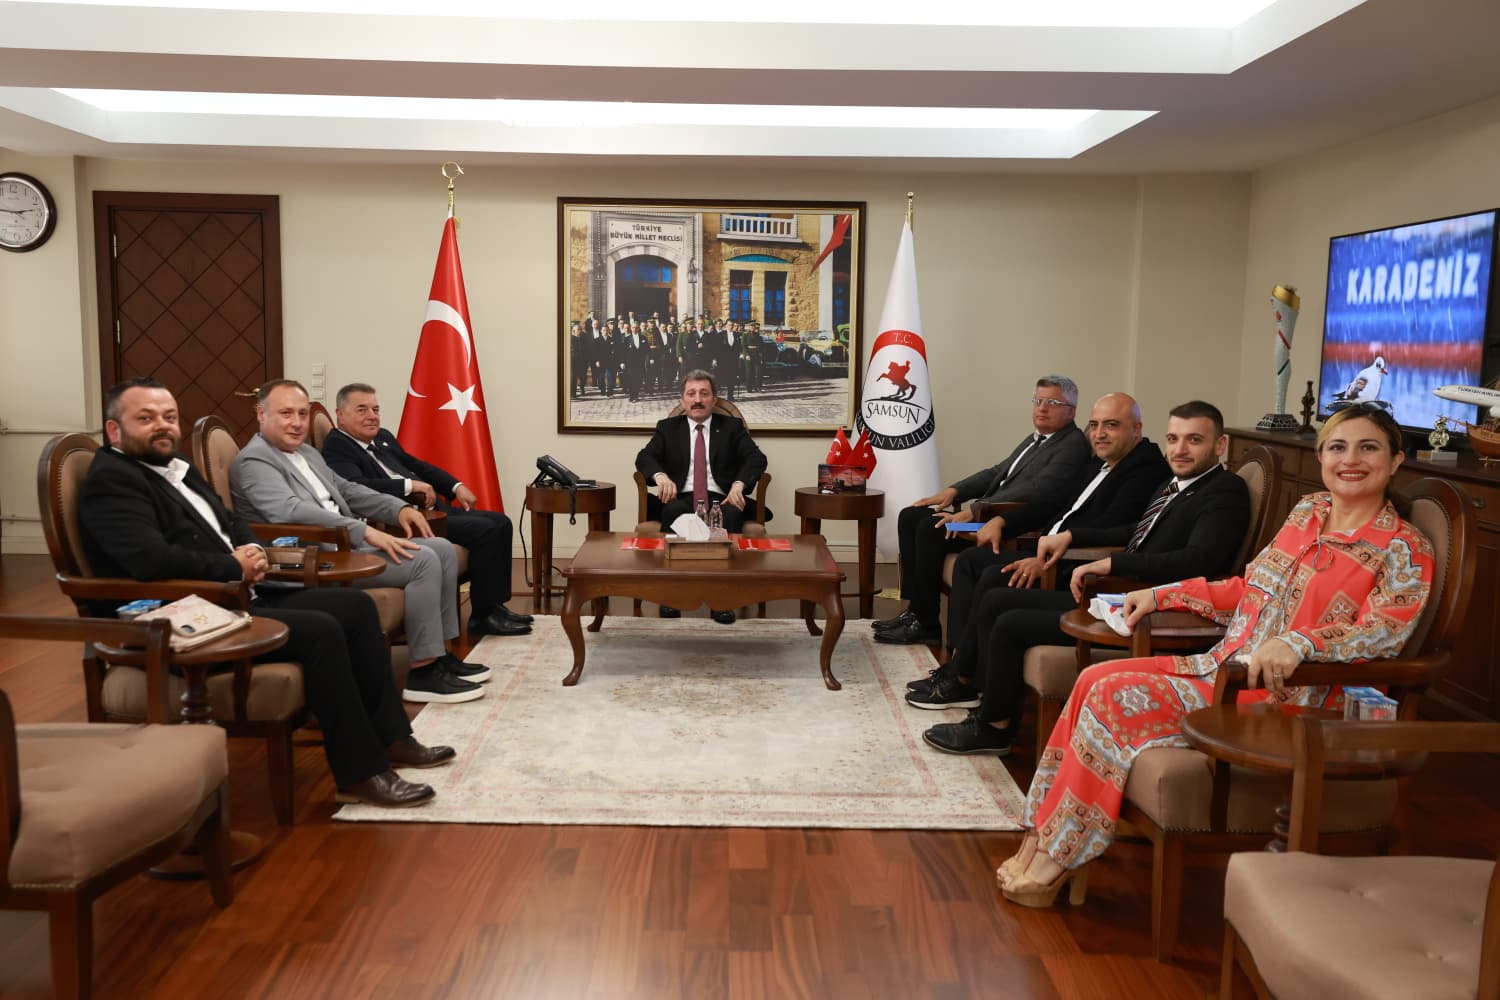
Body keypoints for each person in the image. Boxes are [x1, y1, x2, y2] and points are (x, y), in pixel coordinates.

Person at [996, 405, 1433, 908]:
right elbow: (1248, 587)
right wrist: (1160, 594)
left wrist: (1300, 642)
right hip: (1222, 670)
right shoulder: (1307, 512)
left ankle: (1058, 857)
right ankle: (1042, 836)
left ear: (1395, 460)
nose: (1350, 460)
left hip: (1293, 702)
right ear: (1321, 457)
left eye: (1368, 448)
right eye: (1337, 447)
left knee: (1112, 694)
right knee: (1094, 677)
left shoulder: (1404, 548)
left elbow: (1383, 634)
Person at [81, 377, 450, 808]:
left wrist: (253, 550)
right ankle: (360, 773)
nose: (162, 426)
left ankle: (393, 738)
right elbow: (150, 561)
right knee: (322, 631)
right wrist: (232, 567)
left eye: (169, 416)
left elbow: (229, 520)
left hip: (232, 596)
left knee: (355, 607)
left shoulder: (175, 464)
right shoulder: (112, 481)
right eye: (146, 418)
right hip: (180, 617)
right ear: (114, 430)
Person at [915, 401, 1250, 754]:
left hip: (1151, 610)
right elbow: (1134, 532)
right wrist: (1075, 538)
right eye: (1173, 439)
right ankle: (977, 697)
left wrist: (1111, 564)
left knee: (1011, 622)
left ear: (1220, 445)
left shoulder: (1224, 491)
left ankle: (994, 727)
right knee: (997, 599)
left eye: (1194, 440)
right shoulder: (1175, 483)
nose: (1179, 449)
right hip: (1119, 596)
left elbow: (1196, 562)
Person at [231, 380, 488, 705]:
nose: (296, 423)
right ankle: (423, 673)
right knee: (423, 561)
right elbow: (291, 510)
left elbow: (347, 489)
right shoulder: (254, 461)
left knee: (442, 549)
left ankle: (442, 655)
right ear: (261, 414)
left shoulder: (306, 453)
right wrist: (363, 531)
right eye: (286, 414)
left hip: (343, 546)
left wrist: (398, 508)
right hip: (310, 558)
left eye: (302, 413)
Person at [874, 376, 1092, 646]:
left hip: (1008, 525)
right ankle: (914, 611)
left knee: (930, 528)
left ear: (1072, 410)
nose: (1042, 408)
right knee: (911, 515)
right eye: (1038, 400)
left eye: (1052, 403)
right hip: (987, 514)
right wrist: (955, 491)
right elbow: (997, 472)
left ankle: (926, 622)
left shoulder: (1071, 446)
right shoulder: (1038, 438)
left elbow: (1036, 491)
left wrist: (975, 511)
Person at [321, 381, 533, 640]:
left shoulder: (382, 437)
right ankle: (483, 616)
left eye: (375, 409)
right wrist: (409, 486)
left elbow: (418, 465)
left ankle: (494, 607)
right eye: (362, 410)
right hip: (402, 522)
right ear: (340, 415)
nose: (372, 416)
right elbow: (357, 487)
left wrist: (455, 486)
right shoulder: (337, 446)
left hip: (434, 511)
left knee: (501, 522)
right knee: (486, 530)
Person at [635, 369, 769, 624]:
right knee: (672, 511)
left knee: (731, 515)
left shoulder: (731, 427)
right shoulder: (667, 428)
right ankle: (671, 595)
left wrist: (739, 484)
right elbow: (645, 457)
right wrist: (661, 477)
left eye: (704, 393)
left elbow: (756, 458)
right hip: (681, 496)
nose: (697, 399)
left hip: (721, 498)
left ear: (714, 399)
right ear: (682, 399)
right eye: (691, 393)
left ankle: (722, 599)